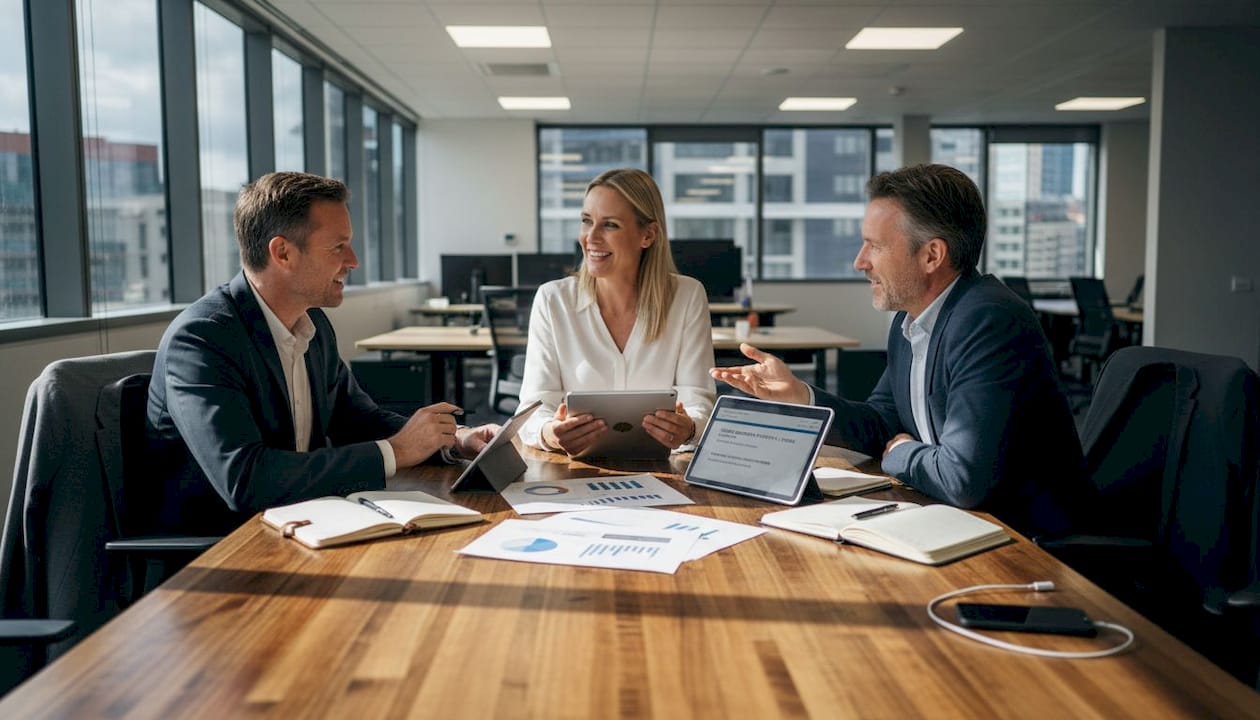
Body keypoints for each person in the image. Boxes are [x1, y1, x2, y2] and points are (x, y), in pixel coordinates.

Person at [711, 163, 1087, 537]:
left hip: (1026, 543)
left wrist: (900, 454)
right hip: (957, 521)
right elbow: (882, 423)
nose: (860, 262)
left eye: (874, 246)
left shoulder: (989, 321)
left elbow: (963, 479)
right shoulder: (913, 321)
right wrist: (801, 396)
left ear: (931, 256)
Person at [147, 171, 498, 535]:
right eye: (338, 247)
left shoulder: (312, 324)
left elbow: (359, 421)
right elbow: (244, 478)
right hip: (223, 552)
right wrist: (394, 452)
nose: (354, 261)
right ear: (282, 252)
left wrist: (453, 440)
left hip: (307, 522)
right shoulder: (203, 339)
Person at [519, 168, 715, 456]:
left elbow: (699, 401)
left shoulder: (686, 297)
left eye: (609, 225)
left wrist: (689, 428)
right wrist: (549, 433)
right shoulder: (553, 300)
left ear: (647, 235)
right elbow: (532, 410)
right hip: (574, 472)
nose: (591, 237)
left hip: (665, 470)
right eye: (587, 221)